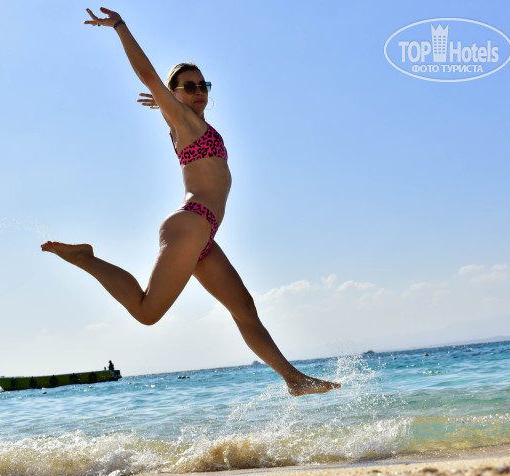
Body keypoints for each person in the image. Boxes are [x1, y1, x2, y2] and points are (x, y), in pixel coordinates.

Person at [41, 7, 340, 396]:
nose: (200, 91)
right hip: (190, 224)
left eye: (203, 85)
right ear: (174, 92)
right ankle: (86, 257)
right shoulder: (185, 122)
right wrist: (120, 27)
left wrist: (166, 103)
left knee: (244, 307)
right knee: (147, 312)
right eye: (189, 86)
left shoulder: (189, 121)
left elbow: (169, 102)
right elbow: (149, 76)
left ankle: (294, 380)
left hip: (204, 234)